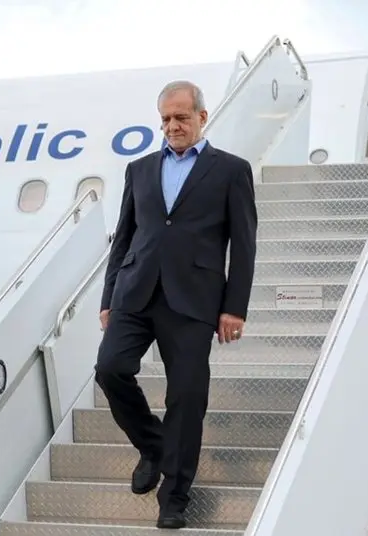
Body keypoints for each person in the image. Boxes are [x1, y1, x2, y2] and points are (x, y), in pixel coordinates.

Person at [94, 80, 258, 529]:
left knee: (187, 395)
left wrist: (234, 307)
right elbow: (124, 238)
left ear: (202, 117)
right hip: (135, 291)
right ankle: (153, 445)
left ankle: (175, 496)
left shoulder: (231, 170)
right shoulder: (140, 169)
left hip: (193, 299)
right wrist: (109, 297)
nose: (172, 126)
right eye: (165, 119)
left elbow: (244, 244)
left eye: (181, 117)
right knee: (110, 369)